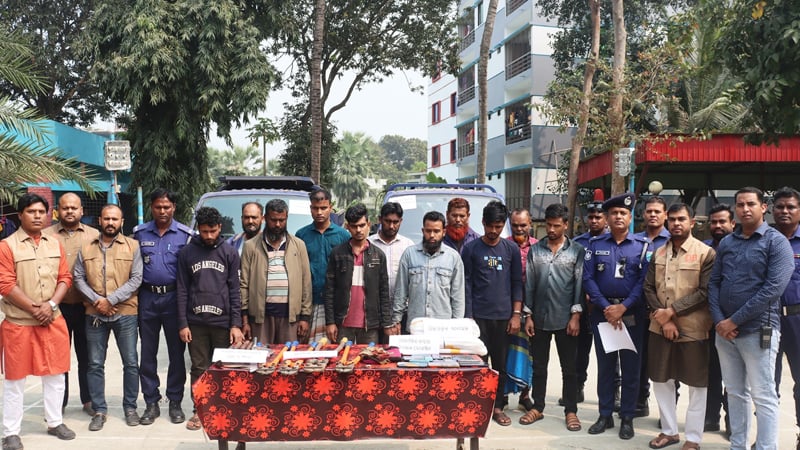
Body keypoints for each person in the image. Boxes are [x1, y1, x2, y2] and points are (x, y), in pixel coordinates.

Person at [709, 186, 794, 450]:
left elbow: (772, 289)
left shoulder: (776, 242)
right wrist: (719, 321)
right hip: (725, 333)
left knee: (763, 395)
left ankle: (766, 447)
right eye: (740, 204)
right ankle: (738, 445)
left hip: (758, 331)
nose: (745, 209)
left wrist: (733, 321)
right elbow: (714, 283)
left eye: (751, 204)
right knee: (735, 393)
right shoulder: (728, 242)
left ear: (763, 208)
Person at [0, 193, 76, 449]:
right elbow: (5, 284)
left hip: (52, 321)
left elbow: (65, 277)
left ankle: (55, 422)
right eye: (31, 212)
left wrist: (51, 305)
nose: (37, 216)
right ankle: (11, 432)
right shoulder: (7, 246)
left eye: (41, 212)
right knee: (15, 380)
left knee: (56, 375)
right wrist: (35, 309)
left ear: (48, 215)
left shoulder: (54, 244)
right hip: (19, 323)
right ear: (20, 215)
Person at [644, 203, 715, 450]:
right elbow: (648, 287)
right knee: (661, 380)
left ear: (692, 222)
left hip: (693, 329)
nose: (676, 223)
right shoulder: (658, 252)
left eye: (681, 219)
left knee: (697, 384)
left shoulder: (706, 253)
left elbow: (705, 291)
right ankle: (669, 431)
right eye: (672, 219)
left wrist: (672, 312)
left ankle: (693, 438)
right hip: (660, 327)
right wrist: (664, 320)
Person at [583, 193, 650, 440]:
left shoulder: (642, 247)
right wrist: (606, 307)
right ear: (607, 218)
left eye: (623, 213)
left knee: (631, 369)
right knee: (606, 367)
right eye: (614, 213)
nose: (618, 217)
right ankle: (605, 414)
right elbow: (588, 279)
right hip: (603, 315)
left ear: (630, 218)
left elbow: (643, 282)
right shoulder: (595, 245)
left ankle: (628, 417)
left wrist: (623, 307)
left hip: (631, 315)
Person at [73, 204, 143, 431]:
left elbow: (136, 279)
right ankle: (99, 410)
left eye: (114, 219)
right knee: (94, 364)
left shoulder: (133, 246)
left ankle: (130, 408)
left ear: (121, 222)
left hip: (125, 313)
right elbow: (78, 278)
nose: (110, 223)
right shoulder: (86, 247)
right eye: (106, 219)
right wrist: (98, 301)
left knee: (130, 363)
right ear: (100, 221)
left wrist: (111, 300)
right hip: (95, 314)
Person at [176, 206, 244, 431]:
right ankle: (200, 411)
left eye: (213, 231)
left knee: (223, 368)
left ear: (220, 228)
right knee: (199, 368)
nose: (208, 236)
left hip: (223, 323)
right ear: (198, 228)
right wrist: (183, 323)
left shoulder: (229, 252)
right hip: (196, 323)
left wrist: (236, 324)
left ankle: (223, 409)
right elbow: (182, 289)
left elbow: (235, 290)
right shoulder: (187, 253)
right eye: (204, 231)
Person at [519, 204, 584, 432]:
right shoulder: (536, 251)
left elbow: (579, 285)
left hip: (566, 319)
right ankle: (538, 406)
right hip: (539, 318)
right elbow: (529, 285)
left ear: (566, 225)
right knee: (539, 367)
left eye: (556, 225)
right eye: (548, 225)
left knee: (569, 368)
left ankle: (571, 410)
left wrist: (576, 316)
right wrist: (528, 316)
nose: (552, 230)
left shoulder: (576, 251)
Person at [134, 188, 193, 425]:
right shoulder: (139, 234)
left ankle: (175, 401)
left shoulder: (185, 235)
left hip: (174, 300)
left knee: (176, 354)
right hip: (147, 298)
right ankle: (151, 402)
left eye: (167, 207)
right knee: (147, 353)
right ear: (151, 207)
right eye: (158, 207)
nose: (162, 211)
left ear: (174, 208)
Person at [462, 201, 523, 427]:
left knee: (500, 366)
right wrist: (468, 317)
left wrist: (516, 315)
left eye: (498, 227)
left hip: (503, 318)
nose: (494, 231)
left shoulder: (511, 249)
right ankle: (477, 405)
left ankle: (497, 407)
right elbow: (466, 285)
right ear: (483, 223)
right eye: (490, 226)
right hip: (478, 319)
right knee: (478, 365)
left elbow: (517, 283)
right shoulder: (471, 249)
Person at [44, 192, 99, 416]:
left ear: (81, 211)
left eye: (74, 208)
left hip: (86, 307)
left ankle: (89, 400)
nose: (69, 211)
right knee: (58, 357)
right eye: (65, 208)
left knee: (88, 357)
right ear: (58, 211)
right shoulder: (46, 236)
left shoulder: (94, 235)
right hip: (58, 308)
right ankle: (59, 402)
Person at [240, 199, 312, 344]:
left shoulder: (298, 245)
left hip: (290, 318)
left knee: (287, 356)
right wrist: (245, 320)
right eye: (273, 220)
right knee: (261, 355)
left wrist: (305, 317)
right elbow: (244, 284)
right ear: (265, 218)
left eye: (282, 220)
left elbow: (306, 283)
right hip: (260, 318)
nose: (278, 224)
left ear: (286, 218)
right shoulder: (250, 246)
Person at [387, 211, 464, 334]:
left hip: (443, 329)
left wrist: (457, 326)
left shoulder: (453, 258)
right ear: (423, 231)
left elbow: (458, 297)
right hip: (415, 327)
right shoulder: (409, 255)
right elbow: (401, 292)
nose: (432, 235)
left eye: (436, 231)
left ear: (444, 232)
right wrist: (396, 320)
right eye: (428, 231)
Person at [324, 204, 391, 344]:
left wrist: (386, 323)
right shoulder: (338, 254)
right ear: (347, 227)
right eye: (354, 226)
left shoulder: (378, 256)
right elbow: (329, 290)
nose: (359, 230)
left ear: (369, 224)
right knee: (341, 357)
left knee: (368, 357)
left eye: (362, 225)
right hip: (342, 323)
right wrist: (330, 322)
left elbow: (384, 292)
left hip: (370, 324)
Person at [295, 188, 350, 343]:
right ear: (310, 208)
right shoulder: (301, 235)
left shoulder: (343, 236)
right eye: (315, 208)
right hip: (309, 302)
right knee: (308, 347)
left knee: (332, 347)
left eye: (323, 208)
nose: (319, 212)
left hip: (335, 304)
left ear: (330, 207)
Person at [633, 195, 670, 418]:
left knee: (666, 362)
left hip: (664, 311)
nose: (653, 215)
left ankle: (668, 413)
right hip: (636, 310)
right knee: (638, 359)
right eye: (649, 211)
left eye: (657, 211)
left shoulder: (672, 241)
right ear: (643, 214)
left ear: (665, 215)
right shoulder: (634, 240)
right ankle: (639, 401)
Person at [569, 198, 607, 407]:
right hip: (582, 307)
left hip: (605, 306)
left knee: (610, 351)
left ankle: (613, 392)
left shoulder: (612, 241)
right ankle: (577, 387)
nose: (594, 221)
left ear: (605, 219)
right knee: (579, 351)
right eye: (591, 217)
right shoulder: (578, 243)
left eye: (598, 217)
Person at [703, 203, 734, 436]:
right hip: (709, 321)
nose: (718, 226)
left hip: (735, 322)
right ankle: (710, 417)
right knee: (711, 372)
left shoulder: (740, 247)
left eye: (722, 221)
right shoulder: (703, 249)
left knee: (734, 376)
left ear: (732, 223)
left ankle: (732, 420)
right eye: (713, 222)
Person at [772, 187, 800, 449]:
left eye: (790, 207)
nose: (785, 211)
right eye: (780, 206)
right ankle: (766, 437)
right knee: (767, 383)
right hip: (767, 321)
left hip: (797, 320)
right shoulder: (764, 239)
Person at [506, 208, 537, 412]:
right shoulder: (504, 246)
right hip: (507, 308)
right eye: (515, 225)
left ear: (530, 224)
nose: (519, 229)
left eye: (523, 225)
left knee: (530, 354)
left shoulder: (538, 247)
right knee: (506, 352)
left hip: (532, 309)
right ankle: (503, 395)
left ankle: (525, 394)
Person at [368, 202, 414, 340]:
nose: (392, 226)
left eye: (395, 222)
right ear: (380, 219)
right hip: (374, 312)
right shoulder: (369, 244)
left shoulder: (408, 246)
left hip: (401, 311)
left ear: (401, 221)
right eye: (387, 221)